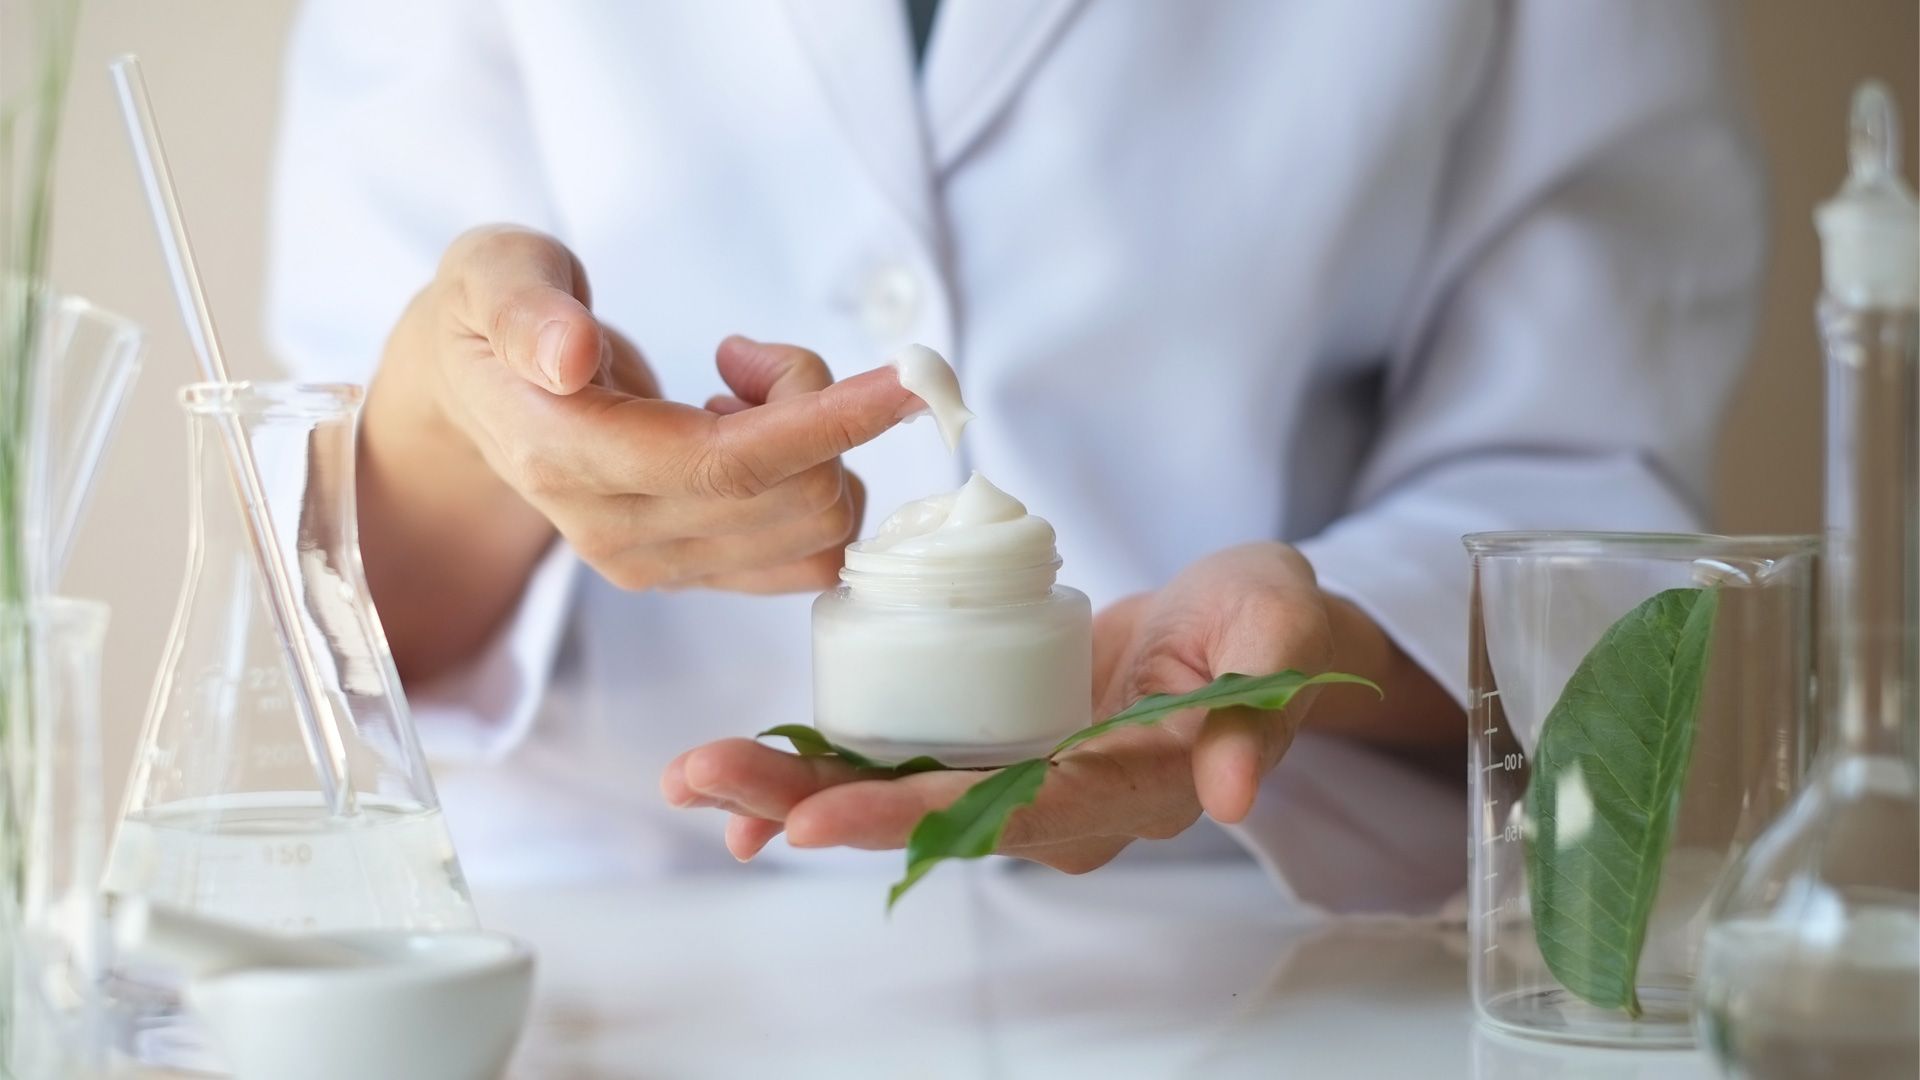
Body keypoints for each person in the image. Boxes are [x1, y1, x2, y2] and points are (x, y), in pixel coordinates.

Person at [268, 0, 1762, 911]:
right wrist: (477, 421)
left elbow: (1583, 482)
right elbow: (337, 591)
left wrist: (1316, 644)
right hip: (611, 926)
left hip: (1237, 936)